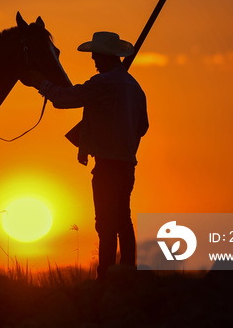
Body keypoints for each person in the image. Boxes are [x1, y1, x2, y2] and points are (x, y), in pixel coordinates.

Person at [23, 31, 148, 279]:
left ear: (107, 57)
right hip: (126, 164)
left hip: (108, 165)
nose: (93, 60)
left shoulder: (103, 83)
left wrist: (41, 83)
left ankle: (106, 276)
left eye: (96, 56)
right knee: (123, 218)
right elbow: (142, 126)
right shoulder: (135, 87)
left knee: (105, 223)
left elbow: (66, 99)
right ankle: (127, 273)